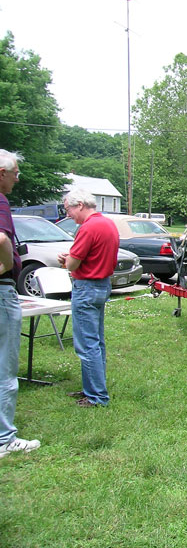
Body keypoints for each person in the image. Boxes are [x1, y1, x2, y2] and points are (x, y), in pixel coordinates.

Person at [57, 189, 119, 407]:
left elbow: (73, 264)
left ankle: (96, 397)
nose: (68, 215)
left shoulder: (88, 227)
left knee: (87, 344)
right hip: (102, 286)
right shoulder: (108, 224)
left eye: (68, 209)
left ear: (80, 205)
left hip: (86, 287)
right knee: (96, 342)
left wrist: (66, 260)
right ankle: (92, 388)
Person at [0, 149, 41, 458]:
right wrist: (4, 267)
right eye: (15, 173)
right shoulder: (1, 200)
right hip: (2, 292)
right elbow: (2, 239)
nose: (18, 178)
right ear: (2, 173)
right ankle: (4, 439)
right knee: (5, 367)